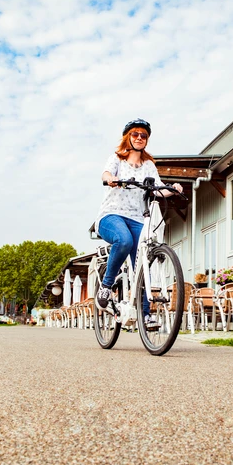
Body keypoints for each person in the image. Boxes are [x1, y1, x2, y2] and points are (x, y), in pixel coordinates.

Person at [94, 119, 183, 326]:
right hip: (111, 215)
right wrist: (110, 179)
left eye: (144, 135)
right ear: (128, 137)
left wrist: (173, 189)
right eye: (135, 134)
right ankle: (106, 287)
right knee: (124, 240)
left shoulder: (149, 165)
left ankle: (145, 315)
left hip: (136, 218)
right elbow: (106, 173)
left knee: (143, 263)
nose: (140, 138)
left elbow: (158, 189)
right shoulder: (117, 159)